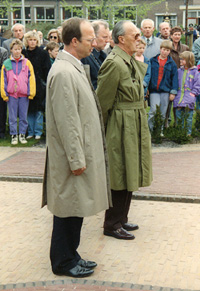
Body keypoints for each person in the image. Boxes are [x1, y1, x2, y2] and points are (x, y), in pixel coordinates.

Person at [42, 17, 111, 278]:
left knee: (75, 207)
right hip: (72, 157)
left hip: (78, 154)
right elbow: (67, 121)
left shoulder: (73, 67)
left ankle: (72, 254)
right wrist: (75, 158)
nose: (94, 44)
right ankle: (63, 262)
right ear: (74, 41)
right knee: (68, 209)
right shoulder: (63, 72)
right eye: (89, 39)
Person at [96, 20, 152, 240]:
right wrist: (107, 131)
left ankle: (121, 218)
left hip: (133, 121)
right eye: (135, 35)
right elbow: (102, 102)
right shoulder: (113, 62)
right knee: (119, 172)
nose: (139, 38)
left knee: (131, 170)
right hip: (121, 125)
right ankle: (111, 223)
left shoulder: (127, 59)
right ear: (121, 39)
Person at [1, 39, 36, 145]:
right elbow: (4, 80)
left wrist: (31, 92)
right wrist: (4, 94)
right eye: (15, 49)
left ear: (21, 50)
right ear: (11, 50)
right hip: (11, 94)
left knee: (23, 116)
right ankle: (13, 135)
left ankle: (22, 134)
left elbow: (31, 78)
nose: (17, 51)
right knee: (12, 117)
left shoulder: (27, 63)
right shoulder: (6, 63)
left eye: (19, 49)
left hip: (24, 94)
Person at [22, 31, 51, 140]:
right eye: (30, 40)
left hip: (40, 84)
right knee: (29, 109)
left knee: (39, 109)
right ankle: (30, 131)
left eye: (34, 40)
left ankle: (38, 131)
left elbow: (47, 69)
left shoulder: (43, 53)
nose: (32, 42)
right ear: (27, 41)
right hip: (26, 84)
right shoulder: (24, 53)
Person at [148, 40, 178, 133]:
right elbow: (148, 75)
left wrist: (173, 91)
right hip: (154, 90)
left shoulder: (171, 63)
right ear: (160, 49)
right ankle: (150, 130)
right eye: (164, 49)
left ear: (170, 51)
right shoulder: (152, 61)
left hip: (165, 91)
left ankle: (159, 130)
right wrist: (147, 89)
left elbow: (174, 78)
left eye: (167, 50)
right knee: (153, 111)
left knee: (163, 112)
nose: (165, 52)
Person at [165, 26, 189, 126]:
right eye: (175, 34)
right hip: (169, 76)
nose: (177, 36)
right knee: (168, 100)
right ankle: (165, 123)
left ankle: (178, 123)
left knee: (179, 100)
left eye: (179, 35)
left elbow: (189, 61)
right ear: (171, 36)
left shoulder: (185, 48)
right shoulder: (168, 47)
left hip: (181, 76)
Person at [173, 51, 200, 135]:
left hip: (189, 98)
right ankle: (180, 133)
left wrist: (193, 93)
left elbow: (198, 84)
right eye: (180, 59)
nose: (180, 61)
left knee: (188, 117)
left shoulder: (195, 72)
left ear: (188, 60)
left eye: (183, 59)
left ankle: (188, 133)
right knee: (179, 116)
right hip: (179, 98)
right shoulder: (178, 71)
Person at [81, 20, 109, 89]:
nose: (107, 40)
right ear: (93, 36)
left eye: (108, 37)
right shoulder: (85, 56)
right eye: (104, 37)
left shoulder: (104, 55)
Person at [0, 46, 8, 139]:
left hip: (1, 83)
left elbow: (3, 68)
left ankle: (1, 131)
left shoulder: (3, 51)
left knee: (1, 109)